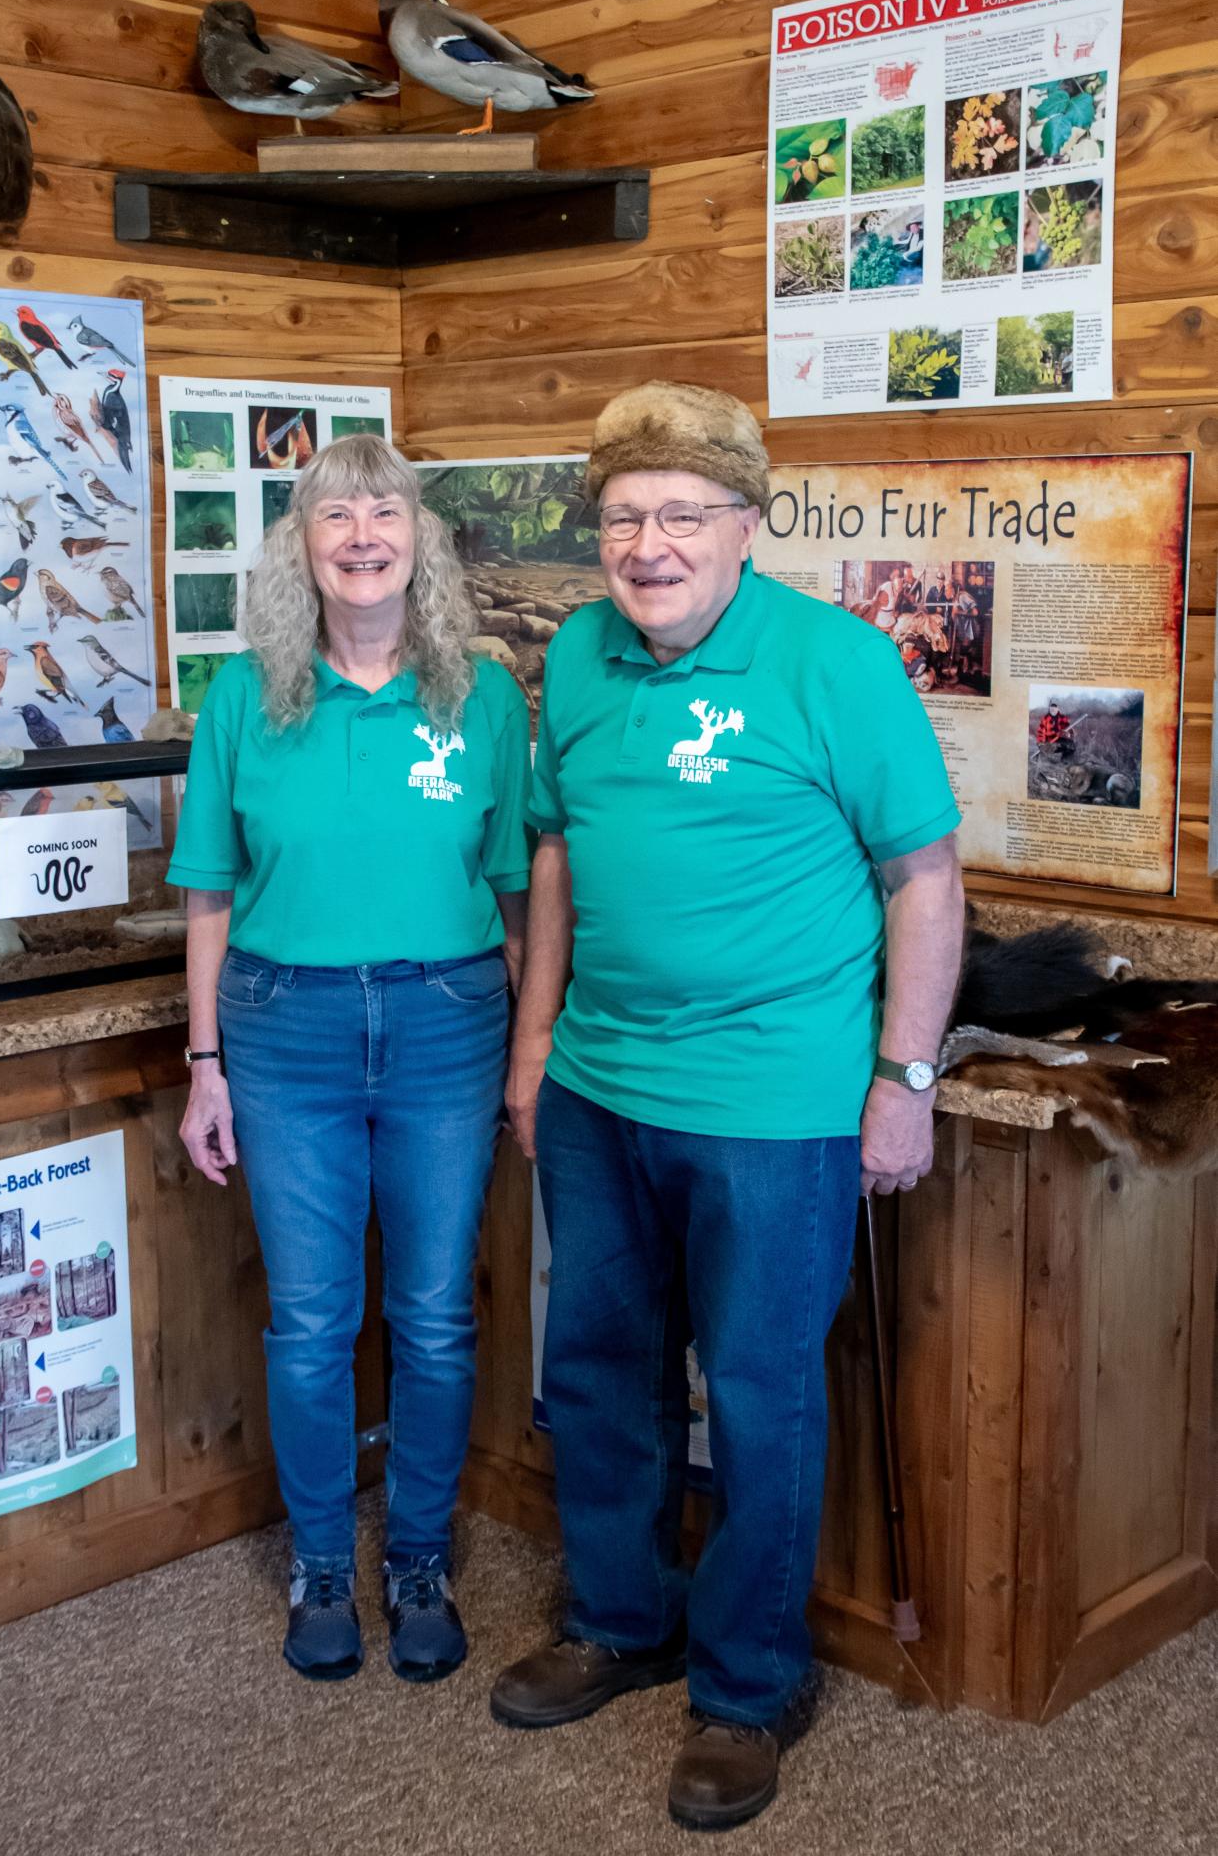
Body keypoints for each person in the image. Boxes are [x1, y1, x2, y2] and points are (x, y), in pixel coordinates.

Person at [490, 382, 965, 1830]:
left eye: (682, 513)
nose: (648, 543)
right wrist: (533, 1047)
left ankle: (744, 1686)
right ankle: (621, 1619)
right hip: (596, 1088)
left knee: (757, 1397)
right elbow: (556, 860)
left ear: (745, 526)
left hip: (774, 1108)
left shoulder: (835, 662)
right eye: (625, 513)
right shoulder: (572, 652)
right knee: (597, 1369)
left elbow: (924, 882)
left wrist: (903, 1078)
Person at [167, 435, 531, 1685]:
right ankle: (324, 1565)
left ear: (419, 539)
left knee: (432, 1319)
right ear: (302, 546)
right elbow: (209, 894)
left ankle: (416, 1556)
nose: (365, 534)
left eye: (387, 511)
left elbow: (517, 889)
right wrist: (205, 1060)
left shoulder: (480, 696)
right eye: (337, 516)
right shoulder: (244, 693)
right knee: (313, 1322)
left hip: (446, 1022)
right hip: (284, 1028)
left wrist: (529, 1054)